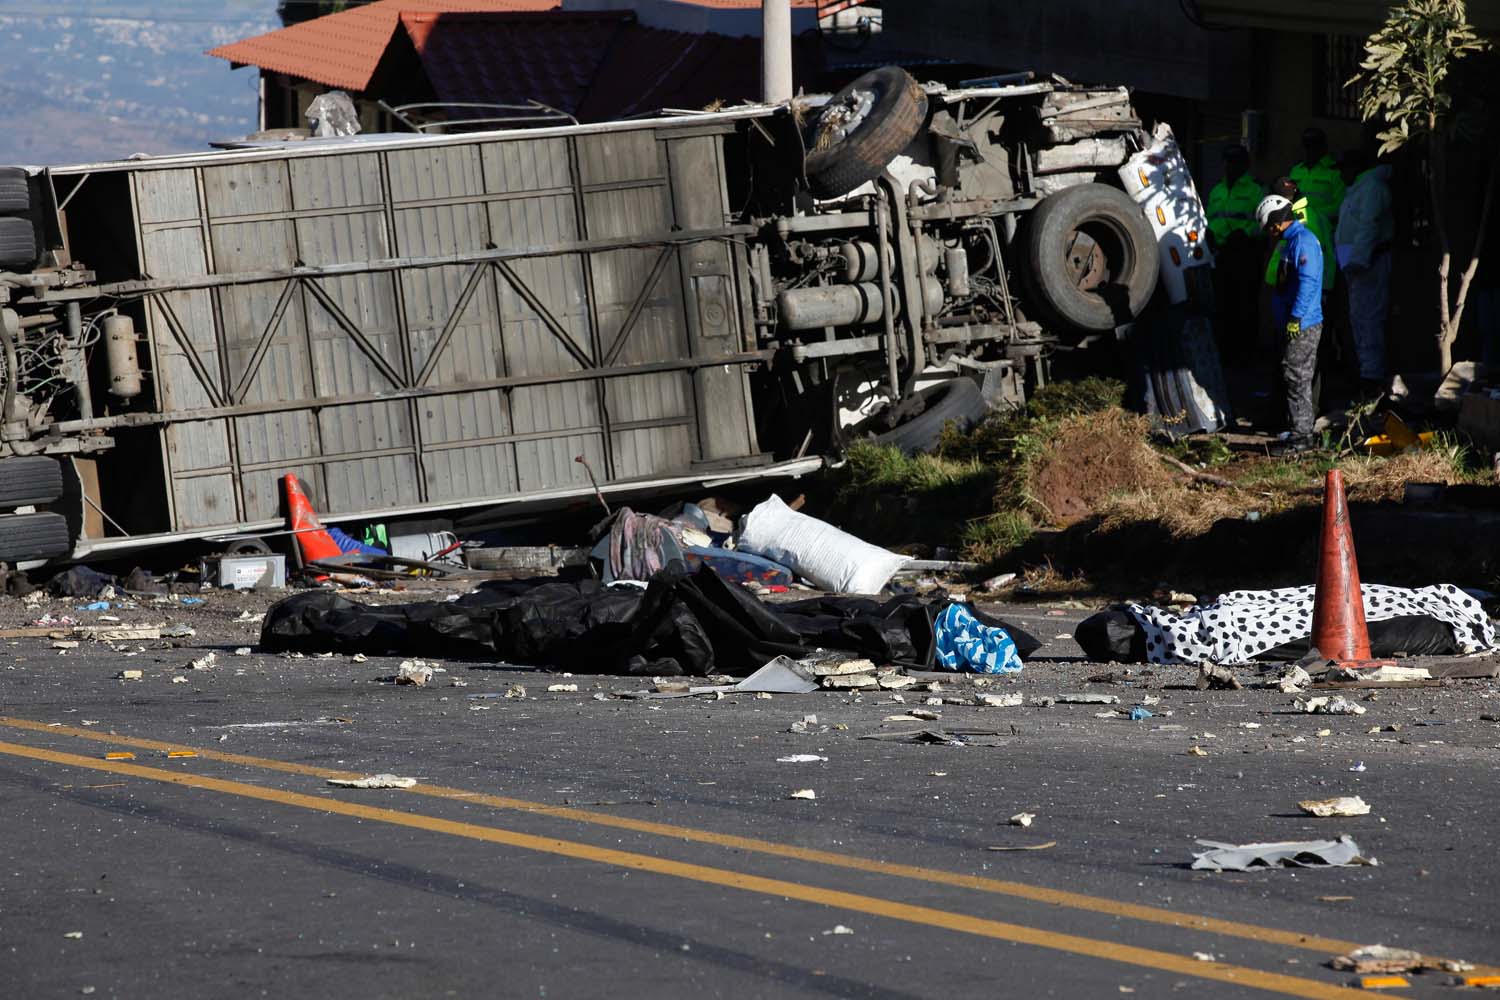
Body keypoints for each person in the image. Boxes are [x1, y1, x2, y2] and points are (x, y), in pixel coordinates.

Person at [1260, 193, 1325, 452]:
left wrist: (1296, 318)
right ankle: (1299, 430)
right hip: (1291, 321)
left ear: (1277, 221)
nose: (1269, 232)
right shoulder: (1290, 241)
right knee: (1292, 376)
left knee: (1297, 377)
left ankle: (1301, 439)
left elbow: (1308, 284)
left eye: (1269, 226)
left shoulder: (1303, 241)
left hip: (1303, 323)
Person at [1334, 150, 1394, 390]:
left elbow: (1369, 226)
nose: (1340, 174)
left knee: (1368, 317)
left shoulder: (1371, 188)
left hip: (1368, 264)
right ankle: (1365, 369)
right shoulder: (1358, 190)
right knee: (1359, 318)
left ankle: (1371, 376)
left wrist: (1358, 260)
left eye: (1344, 168)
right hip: (1355, 265)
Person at [1206, 145, 1264, 363]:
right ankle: (1226, 352)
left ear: (1244, 164)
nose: (1230, 166)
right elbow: (1211, 218)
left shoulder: (1255, 189)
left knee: (1245, 306)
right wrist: (1209, 234)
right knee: (1223, 305)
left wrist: (1246, 234)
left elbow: (1263, 222)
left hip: (1245, 254)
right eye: (1227, 162)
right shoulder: (1217, 190)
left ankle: (1246, 353)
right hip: (1221, 255)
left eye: (1235, 162)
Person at [1290, 127, 1346, 226]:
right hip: (1298, 227)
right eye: (1307, 144)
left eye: (1314, 143)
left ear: (1323, 145)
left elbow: (1340, 205)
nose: (1310, 148)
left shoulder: (1334, 172)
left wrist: (1312, 214)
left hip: (1322, 228)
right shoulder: (1296, 170)